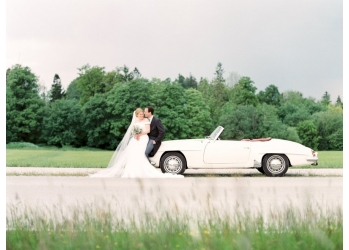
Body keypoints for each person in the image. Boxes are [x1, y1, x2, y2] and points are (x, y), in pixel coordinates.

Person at [90, 108, 183, 178]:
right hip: (136, 139)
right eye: (140, 114)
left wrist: (139, 134)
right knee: (133, 154)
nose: (142, 115)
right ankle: (131, 172)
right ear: (137, 115)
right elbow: (133, 131)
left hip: (143, 138)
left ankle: (142, 171)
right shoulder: (135, 121)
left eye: (143, 114)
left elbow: (148, 130)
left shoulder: (146, 120)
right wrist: (135, 135)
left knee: (141, 154)